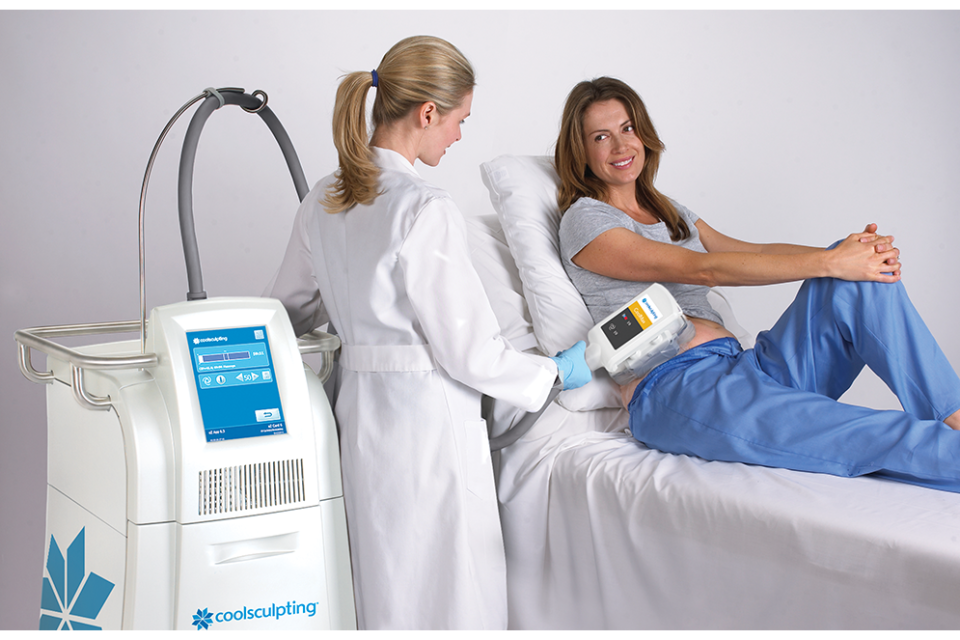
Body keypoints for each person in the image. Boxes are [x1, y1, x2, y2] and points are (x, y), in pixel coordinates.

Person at [265, 36, 590, 630]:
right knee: (452, 591)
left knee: (384, 584)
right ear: (428, 112)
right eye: (460, 120)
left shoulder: (323, 200)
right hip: (428, 426)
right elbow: (470, 353)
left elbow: (286, 312)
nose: (459, 136)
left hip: (357, 422)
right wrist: (554, 372)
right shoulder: (423, 208)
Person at [555, 76, 960, 494]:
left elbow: (756, 251)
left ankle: (954, 413)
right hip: (681, 388)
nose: (621, 146)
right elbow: (702, 269)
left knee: (857, 282)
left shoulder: (669, 211)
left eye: (627, 128)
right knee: (866, 434)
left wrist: (852, 255)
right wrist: (832, 261)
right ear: (580, 151)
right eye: (601, 137)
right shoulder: (586, 220)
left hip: (747, 367)